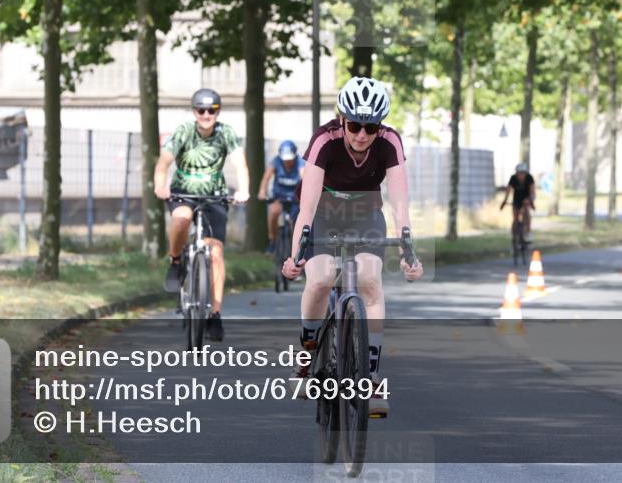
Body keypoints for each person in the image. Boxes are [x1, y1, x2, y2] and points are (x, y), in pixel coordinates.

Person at [282, 76, 423, 418]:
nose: (362, 135)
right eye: (355, 125)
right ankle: (307, 351)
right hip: (324, 214)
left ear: (380, 126)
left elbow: (400, 204)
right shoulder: (324, 140)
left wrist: (408, 251)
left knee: (370, 280)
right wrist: (295, 253)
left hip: (365, 216)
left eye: (370, 127)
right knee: (321, 278)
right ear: (342, 119)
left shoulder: (389, 142)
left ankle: (371, 378)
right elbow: (308, 207)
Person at [153, 88, 248, 342]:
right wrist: (160, 186)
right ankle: (175, 261)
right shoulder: (184, 132)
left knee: (215, 253)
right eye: (201, 110)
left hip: (214, 196)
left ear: (218, 111)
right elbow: (163, 164)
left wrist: (244, 189)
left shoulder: (225, 133)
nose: (206, 115)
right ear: (194, 111)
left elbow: (240, 163)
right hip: (183, 193)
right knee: (181, 218)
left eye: (212, 110)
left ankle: (214, 314)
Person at [258, 140, 306, 253]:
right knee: (274, 212)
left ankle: (297, 247)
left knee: (296, 222)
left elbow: (304, 177)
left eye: (290, 159)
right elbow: (266, 178)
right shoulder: (276, 161)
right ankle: (272, 241)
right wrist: (262, 192)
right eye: (285, 159)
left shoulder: (300, 162)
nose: (287, 162)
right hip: (279, 196)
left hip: (295, 198)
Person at [499, 162, 535, 242]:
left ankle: (528, 231)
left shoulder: (529, 178)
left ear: (525, 173)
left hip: (526, 198)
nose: (520, 175)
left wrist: (530, 200)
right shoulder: (513, 178)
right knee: (515, 216)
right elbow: (508, 190)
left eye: (522, 173)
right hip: (517, 199)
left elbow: (532, 191)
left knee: (526, 213)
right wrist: (504, 202)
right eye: (519, 173)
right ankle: (514, 233)